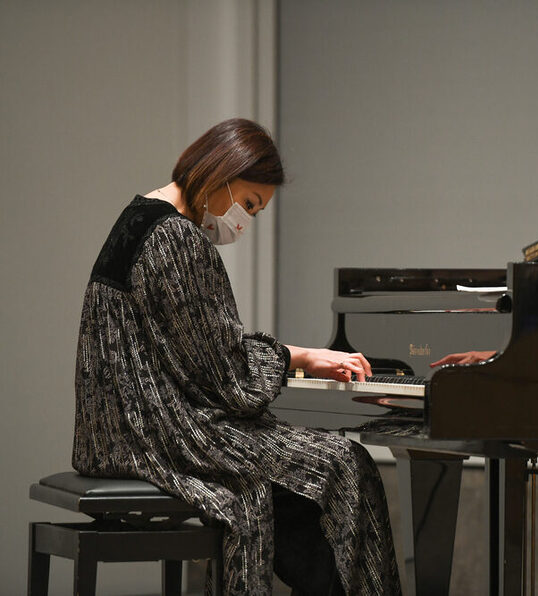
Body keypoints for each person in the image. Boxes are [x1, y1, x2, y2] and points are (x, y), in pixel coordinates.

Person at [72, 118, 401, 595]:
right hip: (158, 435)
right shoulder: (177, 241)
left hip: (112, 431)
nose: (244, 222)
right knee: (345, 464)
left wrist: (300, 355)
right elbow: (230, 381)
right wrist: (299, 358)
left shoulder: (138, 217)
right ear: (220, 174)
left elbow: (197, 354)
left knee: (308, 473)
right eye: (249, 204)